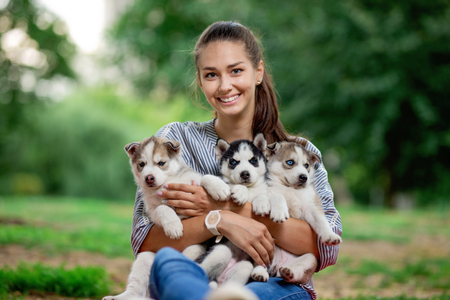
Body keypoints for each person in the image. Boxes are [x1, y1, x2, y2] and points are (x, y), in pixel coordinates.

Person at [131, 21, 342, 300]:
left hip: (274, 281)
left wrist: (227, 208)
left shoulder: (297, 154)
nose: (224, 85)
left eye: (236, 70)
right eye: (211, 75)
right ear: (200, 80)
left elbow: (325, 248)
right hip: (194, 273)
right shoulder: (175, 141)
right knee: (168, 263)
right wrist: (218, 221)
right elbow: (145, 240)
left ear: (258, 72)